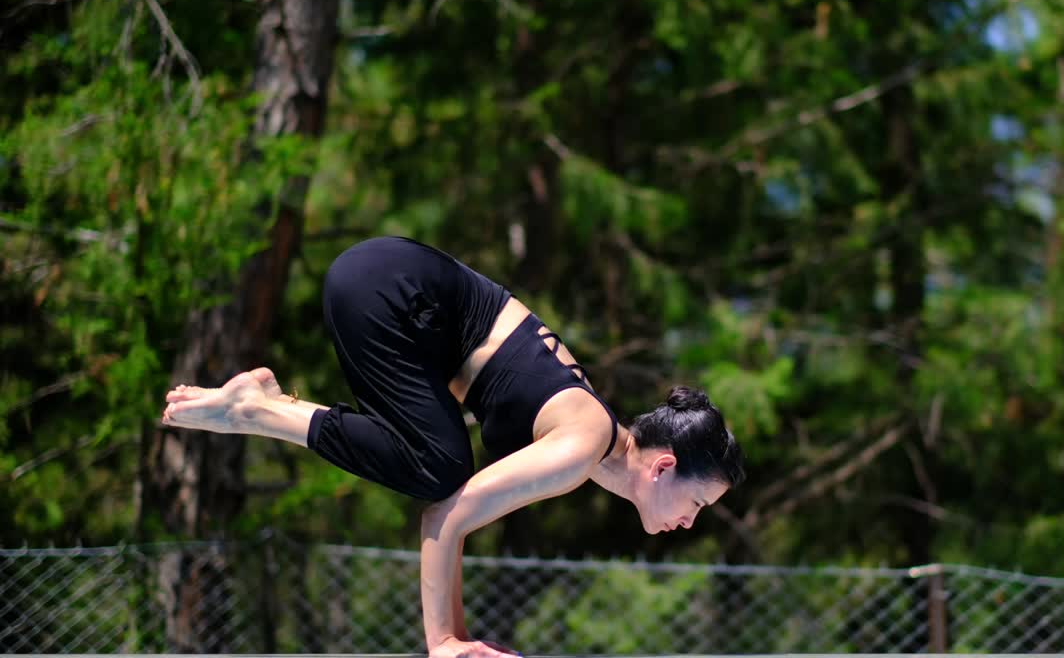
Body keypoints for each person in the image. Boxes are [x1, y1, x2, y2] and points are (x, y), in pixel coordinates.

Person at [161, 236, 746, 658]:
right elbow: (449, 513)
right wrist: (445, 642)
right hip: (387, 290)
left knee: (438, 461)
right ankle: (257, 409)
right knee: (440, 468)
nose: (689, 525)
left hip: (389, 285)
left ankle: (263, 402)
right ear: (664, 466)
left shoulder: (590, 440)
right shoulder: (581, 447)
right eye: (695, 505)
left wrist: (459, 639)